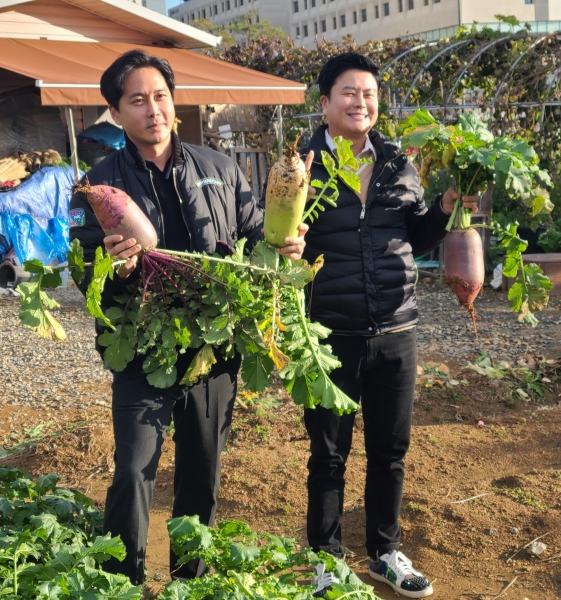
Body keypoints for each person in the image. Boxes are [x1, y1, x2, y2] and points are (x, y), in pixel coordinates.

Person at [69, 49, 308, 585]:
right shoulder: (98, 182)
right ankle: (121, 584)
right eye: (137, 100)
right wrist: (115, 267)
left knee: (201, 475)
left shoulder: (220, 169)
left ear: (173, 104)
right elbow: (83, 268)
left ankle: (188, 585)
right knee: (132, 471)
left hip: (214, 346)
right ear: (117, 112)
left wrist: (281, 250)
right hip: (142, 346)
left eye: (161, 96)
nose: (152, 109)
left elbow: (253, 239)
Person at [301, 53, 478, 599]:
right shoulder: (302, 165)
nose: (361, 102)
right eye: (349, 92)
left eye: (370, 93)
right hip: (330, 335)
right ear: (325, 102)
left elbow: (417, 238)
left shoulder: (399, 163)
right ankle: (326, 558)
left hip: (398, 330)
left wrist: (445, 209)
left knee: (390, 449)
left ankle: (383, 552)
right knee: (329, 454)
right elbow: (280, 239)